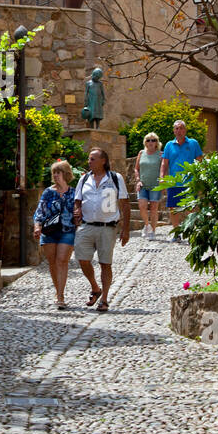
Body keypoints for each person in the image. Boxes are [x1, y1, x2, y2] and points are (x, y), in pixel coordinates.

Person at [73, 148, 130, 312]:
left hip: (108, 227)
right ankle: (95, 287)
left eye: (92, 159)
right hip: (87, 225)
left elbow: (125, 204)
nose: (89, 162)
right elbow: (78, 200)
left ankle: (104, 299)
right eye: (89, 159)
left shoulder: (115, 178)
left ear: (103, 161)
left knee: (105, 263)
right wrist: (77, 211)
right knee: (82, 259)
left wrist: (125, 230)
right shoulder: (84, 180)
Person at [33, 159, 76, 310]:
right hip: (49, 231)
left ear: (66, 174)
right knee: (52, 262)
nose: (56, 175)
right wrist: (37, 227)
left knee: (62, 261)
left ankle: (60, 296)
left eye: (59, 172)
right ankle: (58, 291)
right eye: (54, 173)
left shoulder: (73, 193)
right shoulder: (48, 192)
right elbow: (40, 211)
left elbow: (79, 211)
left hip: (68, 231)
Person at [160, 120, 203, 238]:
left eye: (181, 128)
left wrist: (199, 177)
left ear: (185, 130)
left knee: (191, 208)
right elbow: (164, 163)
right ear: (174, 131)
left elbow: (200, 161)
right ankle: (176, 233)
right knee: (173, 208)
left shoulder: (193, 143)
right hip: (174, 182)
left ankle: (191, 233)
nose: (179, 131)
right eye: (176, 128)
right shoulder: (169, 145)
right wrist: (162, 177)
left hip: (190, 182)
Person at [134, 131, 163, 238]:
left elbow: (163, 169)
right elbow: (136, 169)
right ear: (145, 142)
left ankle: (153, 231)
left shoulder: (160, 154)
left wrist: (162, 180)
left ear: (157, 143)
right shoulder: (141, 153)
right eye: (148, 140)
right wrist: (138, 180)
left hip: (155, 185)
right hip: (143, 184)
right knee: (142, 206)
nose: (151, 142)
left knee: (154, 208)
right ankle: (147, 226)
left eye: (153, 140)